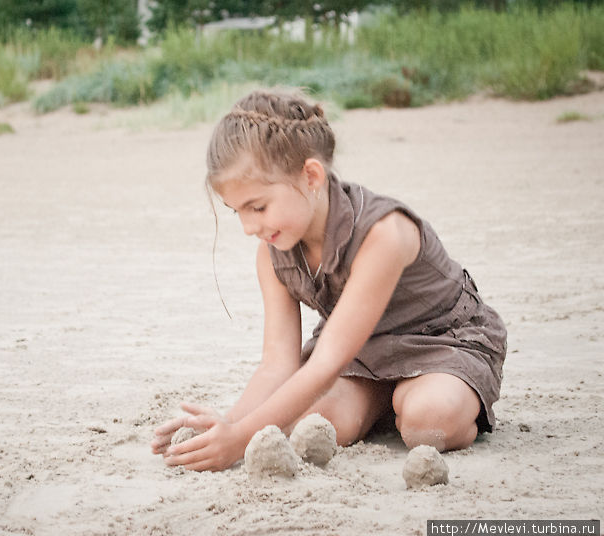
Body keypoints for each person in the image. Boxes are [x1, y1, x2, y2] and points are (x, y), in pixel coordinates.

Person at [151, 89, 507, 472]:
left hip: (441, 340)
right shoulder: (272, 252)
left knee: (428, 423)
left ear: (311, 176)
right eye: (237, 211)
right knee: (312, 423)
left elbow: (324, 364)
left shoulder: (384, 233)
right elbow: (277, 365)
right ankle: (380, 399)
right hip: (359, 352)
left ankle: (424, 399)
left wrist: (237, 443)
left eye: (258, 207)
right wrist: (228, 425)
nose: (248, 227)